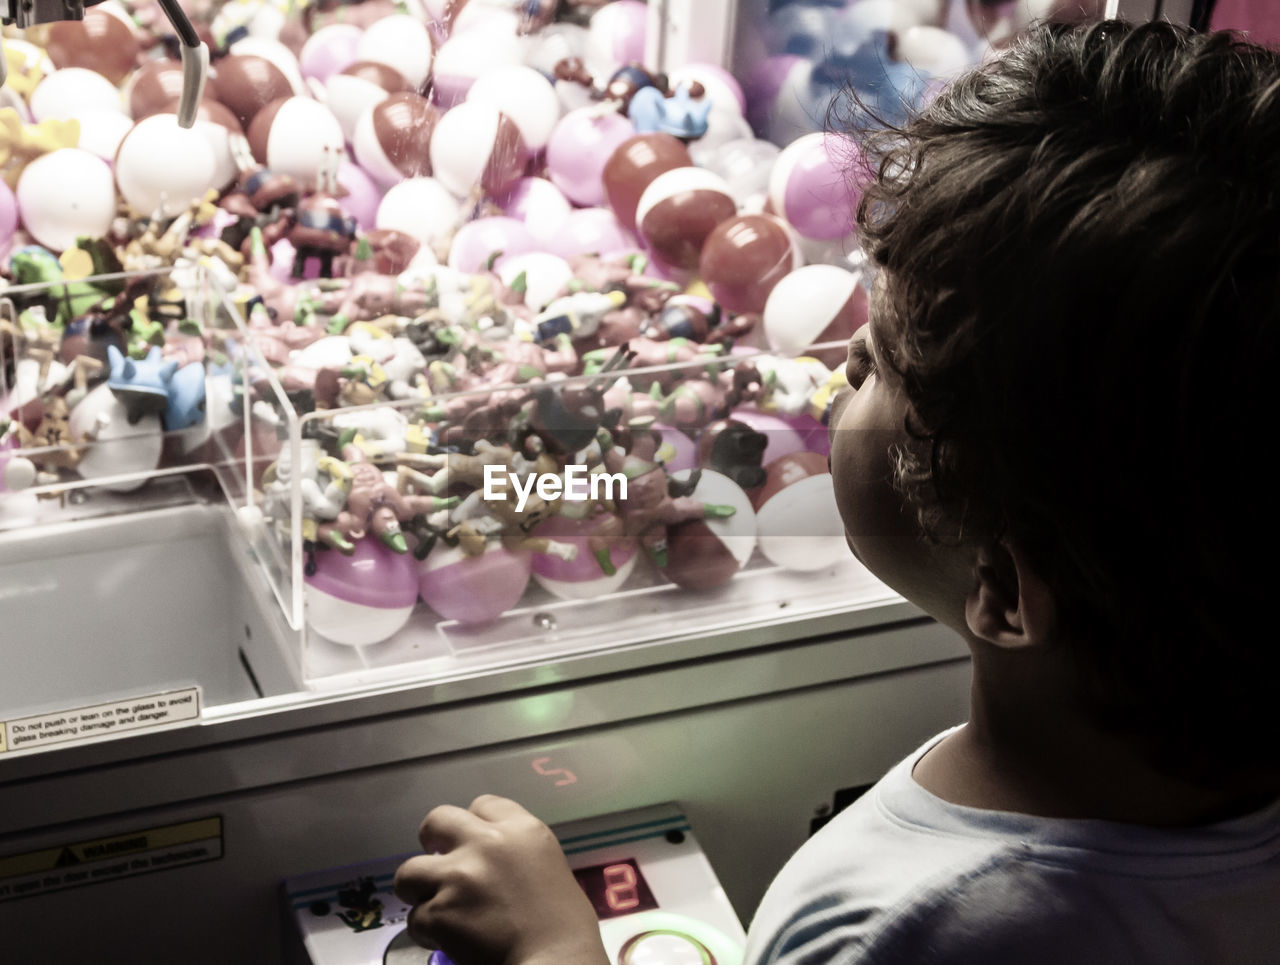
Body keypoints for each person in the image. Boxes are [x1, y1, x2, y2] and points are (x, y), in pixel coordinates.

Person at [392, 19, 1280, 964]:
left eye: (891, 358)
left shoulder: (898, 929)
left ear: (1005, 590)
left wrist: (554, 949)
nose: (850, 351)